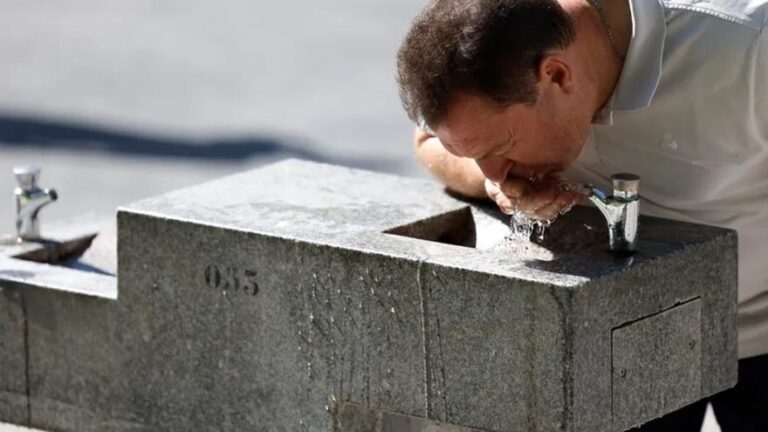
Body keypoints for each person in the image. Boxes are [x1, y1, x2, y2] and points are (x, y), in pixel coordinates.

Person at [396, 0, 768, 430]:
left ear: (556, 75)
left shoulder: (748, 47)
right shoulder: (490, 53)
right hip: (628, 340)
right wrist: (495, 183)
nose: (493, 170)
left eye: (499, 149)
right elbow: (429, 143)